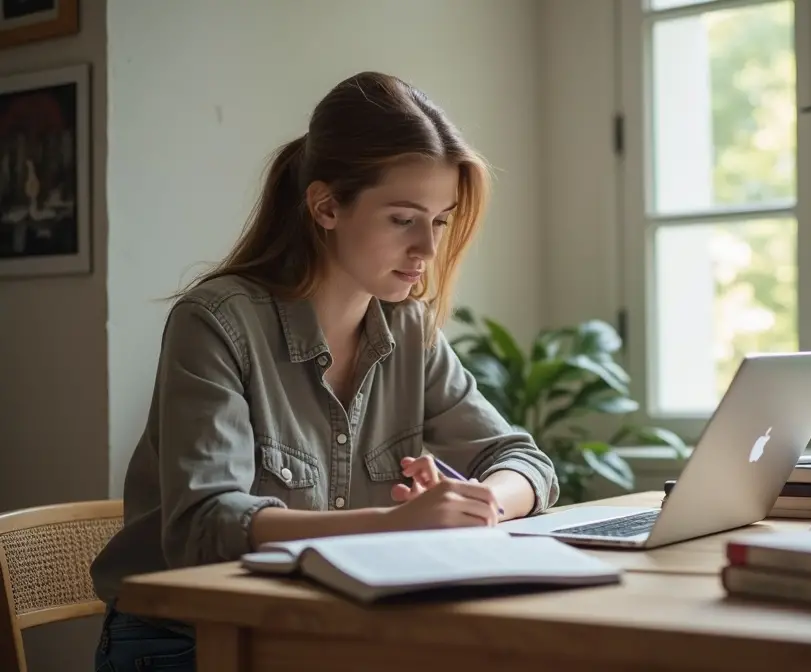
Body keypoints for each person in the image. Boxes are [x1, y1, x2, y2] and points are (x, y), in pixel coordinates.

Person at [90, 71, 559, 672]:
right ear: (326, 206)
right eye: (402, 219)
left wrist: (483, 502)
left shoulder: (409, 331)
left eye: (439, 220)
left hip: (327, 631)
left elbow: (524, 461)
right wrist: (397, 524)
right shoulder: (215, 323)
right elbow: (204, 527)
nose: (428, 249)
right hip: (188, 641)